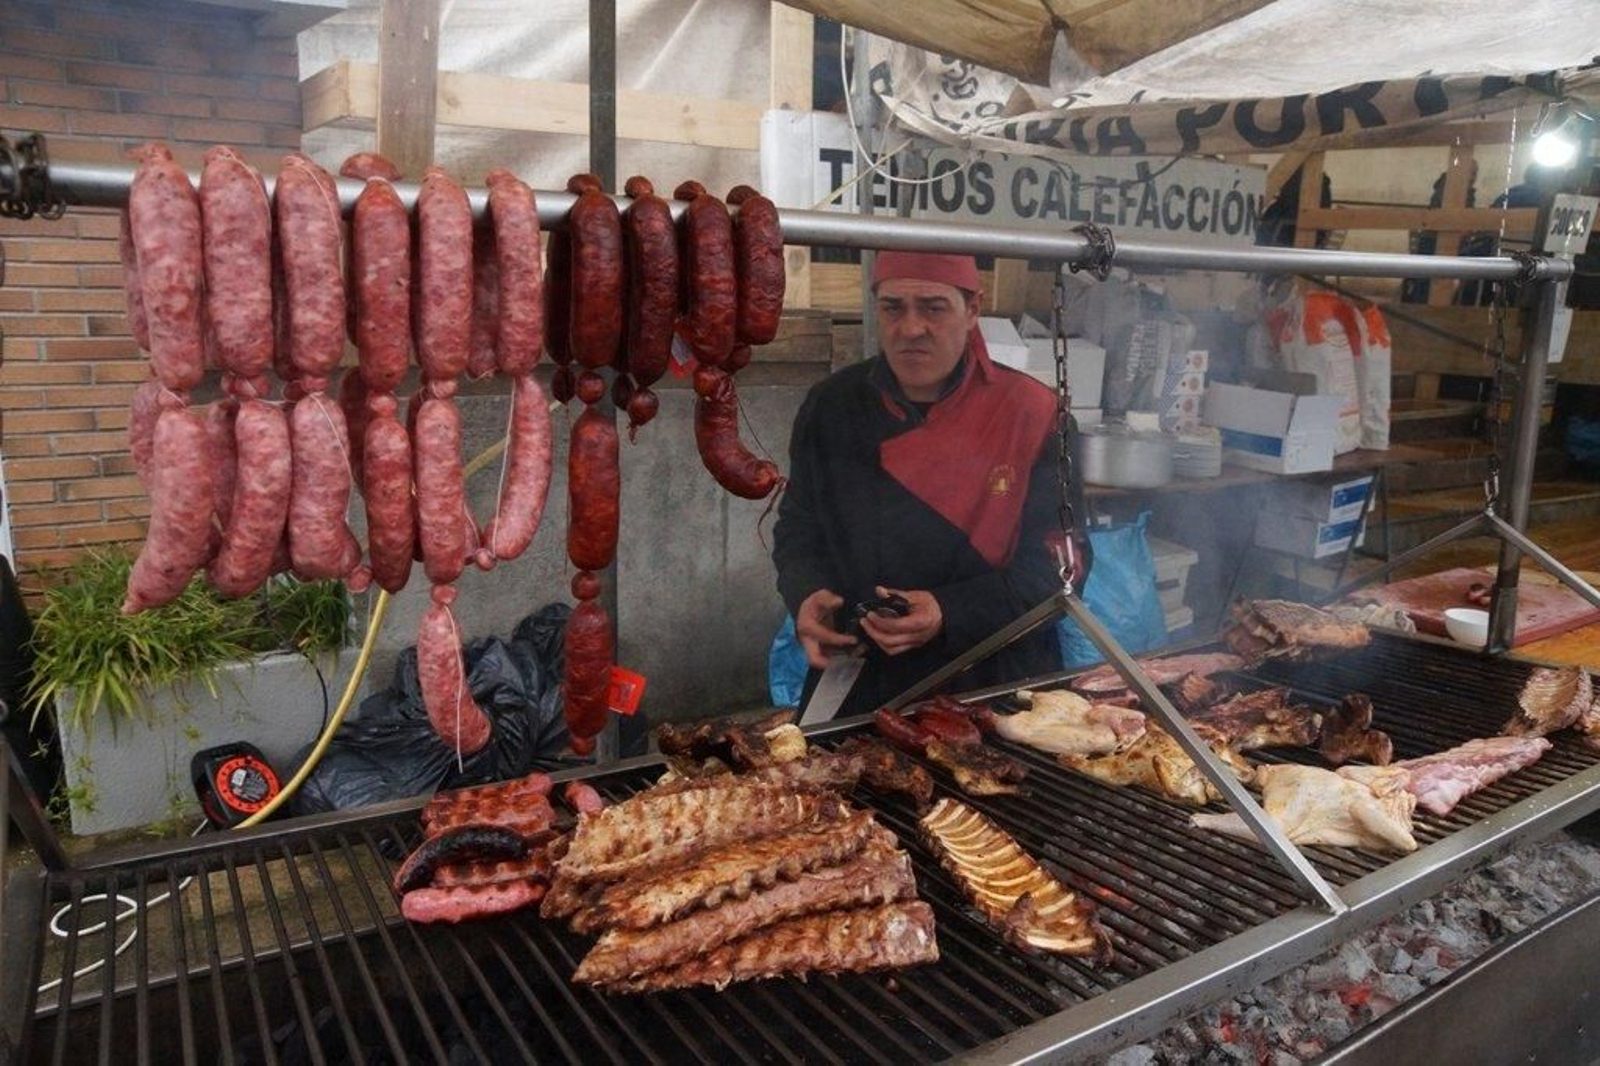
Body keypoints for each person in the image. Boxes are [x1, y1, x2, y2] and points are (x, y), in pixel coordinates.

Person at [772, 251, 1090, 718]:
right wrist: (805, 590)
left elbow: (1066, 571)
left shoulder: (1034, 414)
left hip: (996, 683)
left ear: (973, 310)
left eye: (933, 308)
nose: (911, 328)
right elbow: (797, 528)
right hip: (861, 673)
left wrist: (949, 610)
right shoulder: (831, 406)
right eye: (893, 307)